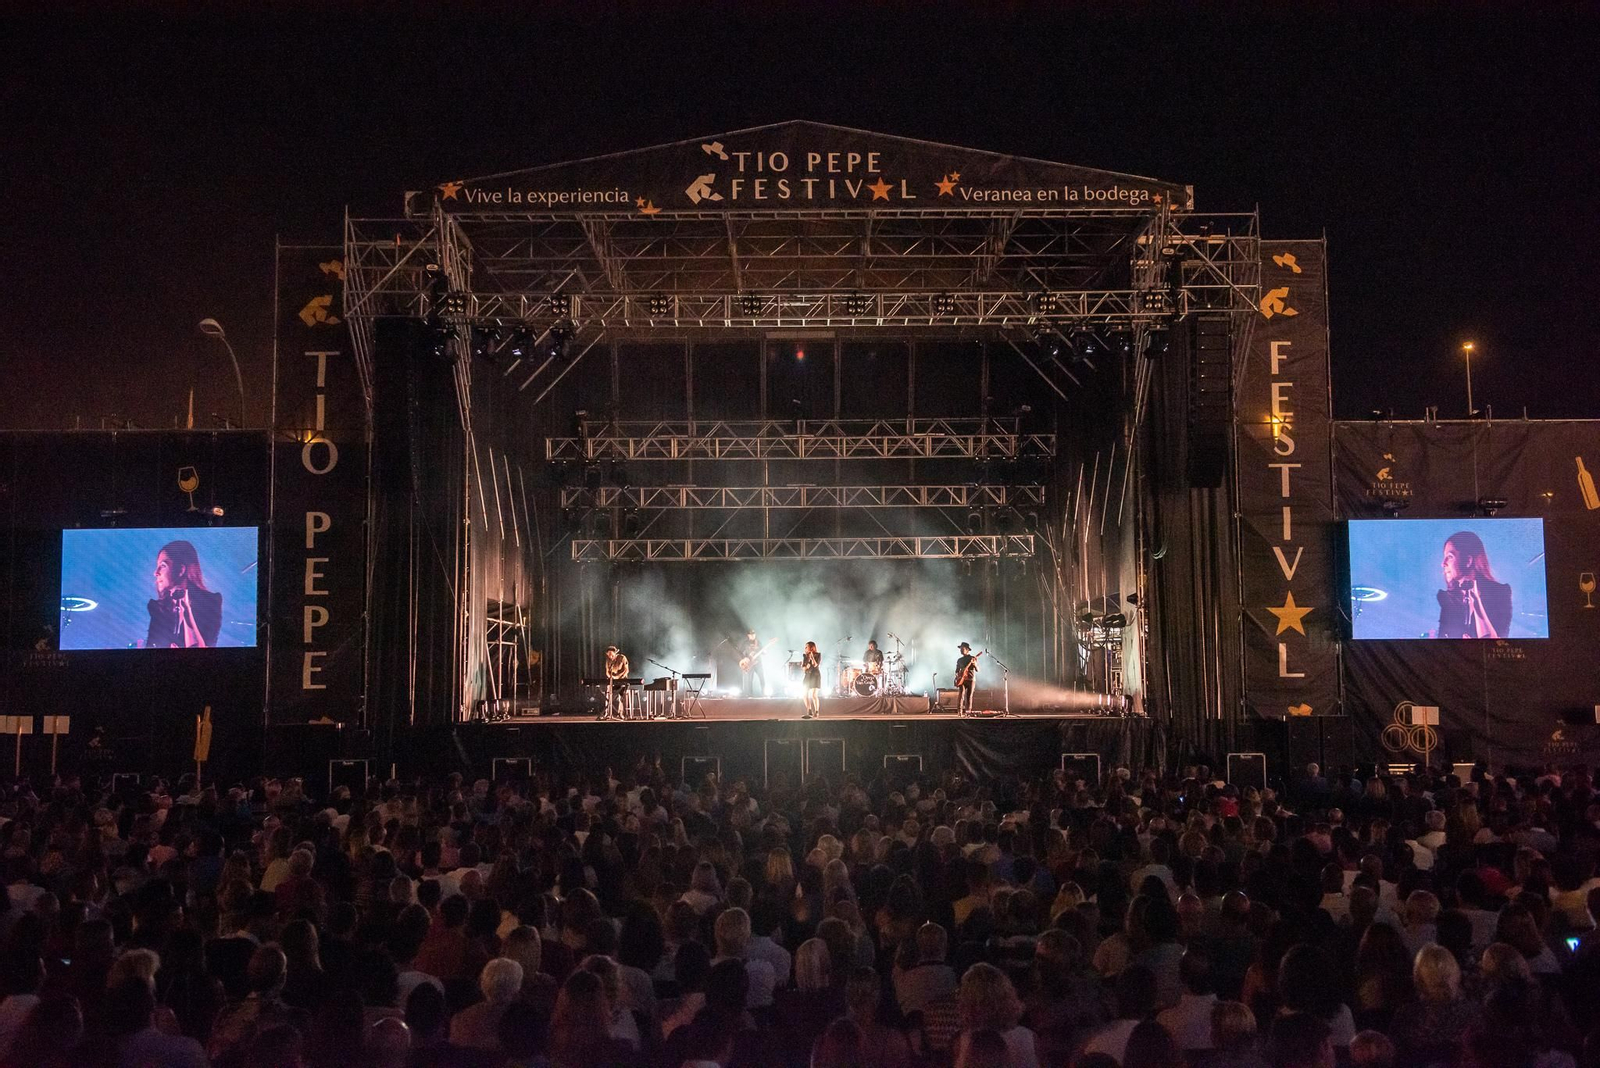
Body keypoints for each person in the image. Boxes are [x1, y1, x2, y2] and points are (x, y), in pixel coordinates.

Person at [146, 539, 222, 648]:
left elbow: (206, 649)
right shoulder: (157, 608)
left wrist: (186, 611)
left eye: (163, 566)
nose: (156, 573)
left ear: (181, 570)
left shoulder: (210, 602)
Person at [1435, 530, 1511, 639]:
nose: (1443, 564)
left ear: (1468, 561)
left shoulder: (1500, 593)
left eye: (1450, 557)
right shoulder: (1447, 599)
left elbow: (1499, 643)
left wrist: (1477, 603)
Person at [602, 645, 631, 721]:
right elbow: (607, 671)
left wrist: (618, 676)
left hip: (622, 680)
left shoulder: (622, 658)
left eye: (612, 654)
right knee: (608, 694)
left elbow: (626, 670)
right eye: (609, 654)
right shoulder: (608, 660)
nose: (610, 656)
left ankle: (621, 713)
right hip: (613, 680)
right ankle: (607, 713)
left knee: (622, 696)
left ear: (615, 653)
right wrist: (611, 677)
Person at [741, 629, 767, 697]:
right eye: (751, 634)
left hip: (758, 663)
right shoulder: (745, 643)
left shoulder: (758, 642)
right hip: (750, 663)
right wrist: (745, 658)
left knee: (762, 678)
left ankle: (764, 693)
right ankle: (750, 694)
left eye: (753, 634)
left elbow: (764, 652)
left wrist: (765, 652)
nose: (752, 635)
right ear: (748, 635)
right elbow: (741, 652)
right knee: (749, 679)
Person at [955, 642, 980, 713]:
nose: (961, 650)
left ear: (967, 650)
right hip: (962, 679)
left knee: (969, 696)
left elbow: (977, 670)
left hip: (971, 679)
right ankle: (959, 711)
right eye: (960, 649)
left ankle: (968, 711)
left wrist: (974, 664)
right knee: (961, 694)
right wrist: (957, 677)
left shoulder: (972, 658)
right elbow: (957, 671)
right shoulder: (959, 660)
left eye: (962, 649)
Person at [801, 641, 822, 719]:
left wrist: (812, 657)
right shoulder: (805, 656)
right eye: (805, 647)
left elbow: (815, 664)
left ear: (811, 648)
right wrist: (806, 667)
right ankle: (809, 710)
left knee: (814, 695)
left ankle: (816, 711)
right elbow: (803, 667)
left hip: (815, 675)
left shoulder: (818, 655)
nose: (805, 648)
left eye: (807, 647)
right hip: (807, 675)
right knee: (804, 694)